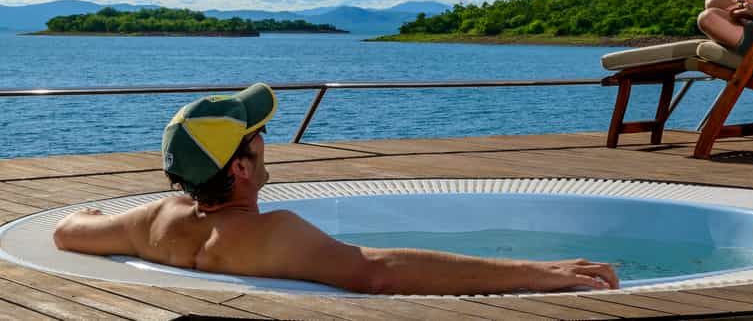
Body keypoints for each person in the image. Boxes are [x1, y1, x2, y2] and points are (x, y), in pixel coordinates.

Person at [52, 83, 619, 295]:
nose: (266, 139)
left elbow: (66, 231)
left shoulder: (155, 219)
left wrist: (96, 215)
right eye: (258, 135)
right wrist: (535, 273)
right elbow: (379, 271)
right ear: (242, 168)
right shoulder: (271, 234)